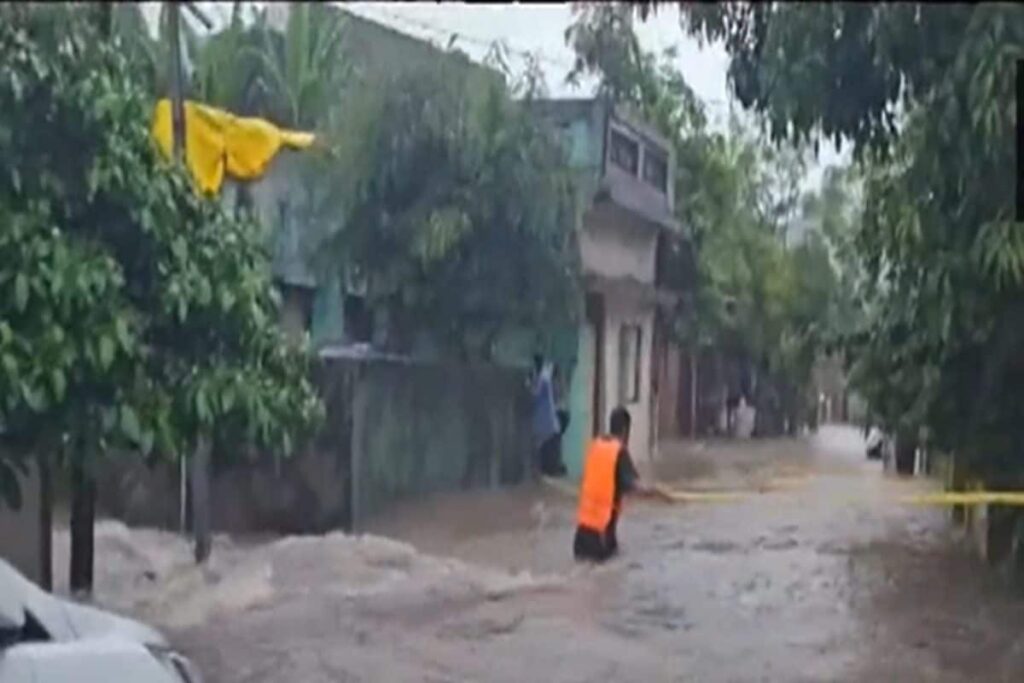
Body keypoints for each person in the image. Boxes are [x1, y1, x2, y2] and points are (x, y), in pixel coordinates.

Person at [573, 406, 667, 562]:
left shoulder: (595, 446)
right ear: (625, 430)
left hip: (581, 535)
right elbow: (635, 487)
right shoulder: (619, 451)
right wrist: (658, 493)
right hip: (602, 537)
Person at [530, 354, 565, 477]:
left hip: (547, 419)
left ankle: (547, 468)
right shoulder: (544, 377)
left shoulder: (544, 378)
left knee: (545, 443)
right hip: (546, 418)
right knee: (545, 443)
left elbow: (537, 394)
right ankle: (546, 469)